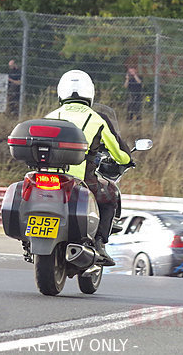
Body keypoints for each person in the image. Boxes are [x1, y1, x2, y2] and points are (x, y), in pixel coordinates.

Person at [45, 69, 133, 266]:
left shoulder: (51, 115)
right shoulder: (97, 118)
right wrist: (127, 159)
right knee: (110, 193)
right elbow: (121, 154)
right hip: (81, 181)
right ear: (90, 93)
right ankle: (100, 243)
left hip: (48, 179)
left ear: (61, 92)